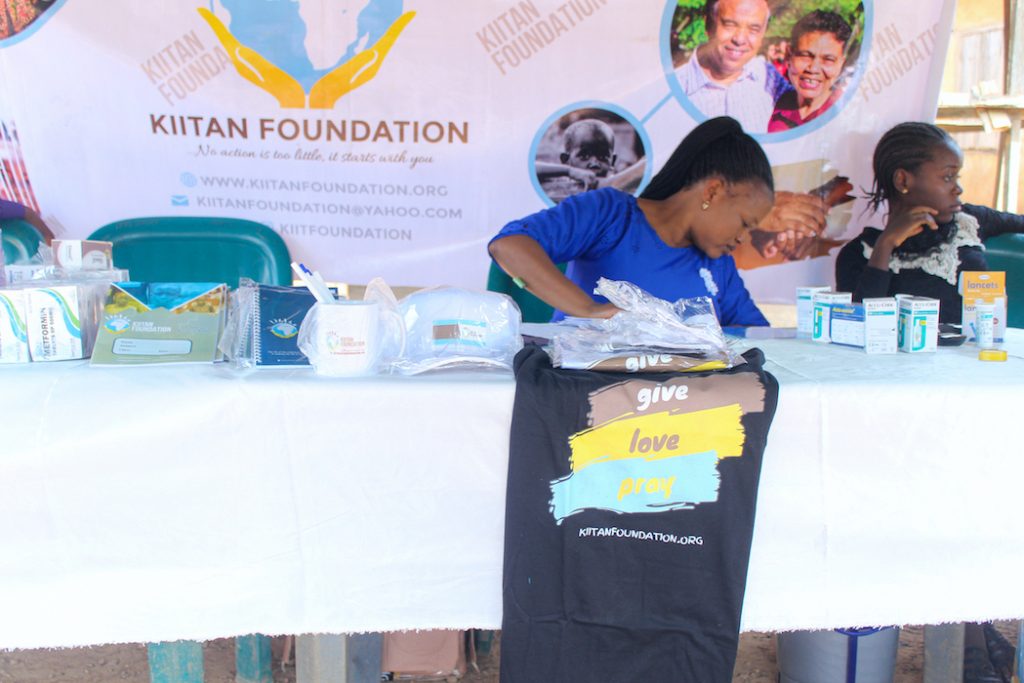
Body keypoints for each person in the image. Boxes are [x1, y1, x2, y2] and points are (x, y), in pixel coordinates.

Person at [489, 116, 774, 326]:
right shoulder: (612, 214)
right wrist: (590, 310)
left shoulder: (718, 264)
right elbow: (509, 246)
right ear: (713, 191)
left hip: (679, 391)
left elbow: (759, 341)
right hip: (587, 384)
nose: (743, 238)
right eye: (745, 222)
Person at [835, 121, 1024, 323]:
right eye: (948, 177)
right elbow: (858, 327)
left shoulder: (969, 222)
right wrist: (885, 245)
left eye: (957, 177)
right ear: (902, 180)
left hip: (981, 344)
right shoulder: (858, 254)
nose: (958, 189)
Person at [675, 0, 792, 134]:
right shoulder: (674, 89)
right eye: (729, 25)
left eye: (754, 29)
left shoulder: (770, 78)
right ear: (708, 25)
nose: (740, 39)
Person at [768, 11, 853, 133]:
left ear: (841, 64)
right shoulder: (773, 102)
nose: (813, 69)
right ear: (789, 55)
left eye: (828, 59)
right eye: (805, 55)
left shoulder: (846, 116)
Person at [535, 118, 618, 194]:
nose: (594, 163)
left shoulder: (616, 183)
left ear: (613, 161)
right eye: (584, 156)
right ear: (565, 160)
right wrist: (569, 171)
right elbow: (532, 168)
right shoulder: (561, 182)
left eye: (602, 157)